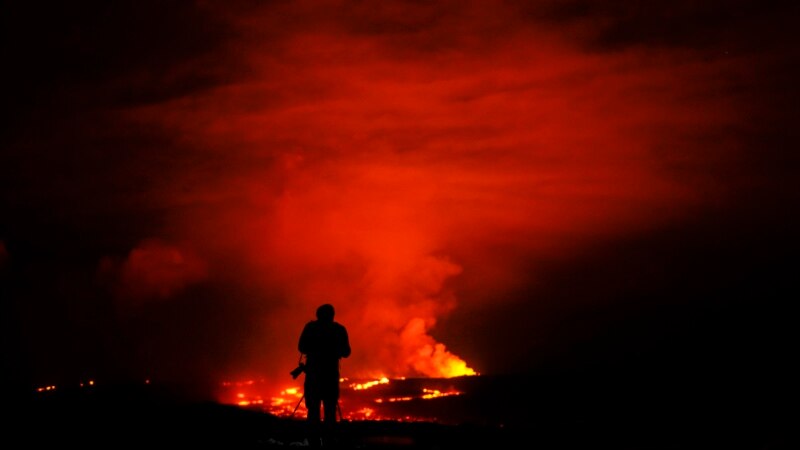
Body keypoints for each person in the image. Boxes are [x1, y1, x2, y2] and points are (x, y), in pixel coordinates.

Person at [297, 303, 351, 446]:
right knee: (330, 411)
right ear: (332, 315)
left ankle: (314, 442)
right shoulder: (339, 330)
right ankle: (328, 442)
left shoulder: (310, 328)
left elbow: (301, 347)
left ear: (317, 315)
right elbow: (346, 352)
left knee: (313, 410)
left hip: (313, 375)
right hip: (330, 376)